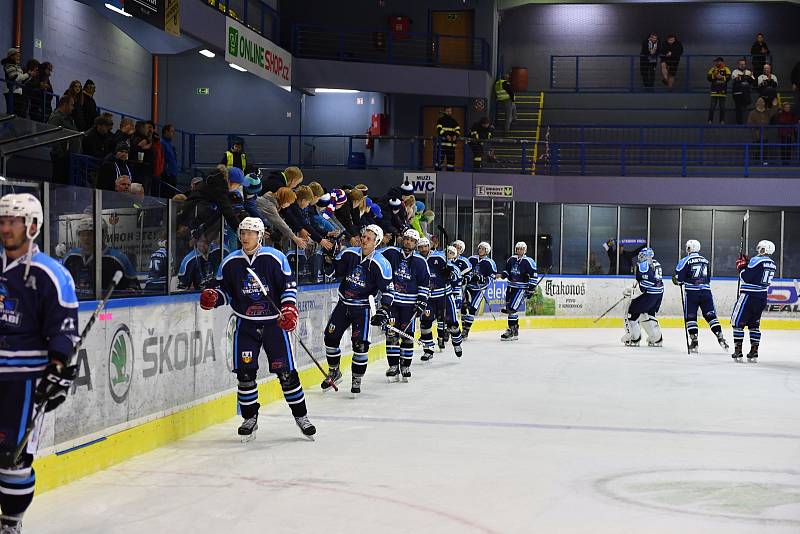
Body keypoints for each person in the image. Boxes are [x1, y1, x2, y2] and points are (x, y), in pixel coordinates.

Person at [0, 193, 80, 534]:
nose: (6, 228)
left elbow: (63, 331)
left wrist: (57, 369)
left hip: (24, 379)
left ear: (32, 226)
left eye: (13, 222)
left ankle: (11, 521)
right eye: (2, 221)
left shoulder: (51, 273)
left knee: (11, 457)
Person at [200, 217, 315, 440]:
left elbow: (288, 288)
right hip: (246, 324)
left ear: (260, 235)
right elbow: (225, 292)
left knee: (286, 374)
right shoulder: (230, 262)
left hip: (274, 324)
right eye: (242, 232)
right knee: (245, 374)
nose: (245, 237)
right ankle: (249, 418)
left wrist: (289, 310)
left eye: (250, 233)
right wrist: (213, 298)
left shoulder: (275, 258)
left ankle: (301, 417)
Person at [321, 224, 393, 396]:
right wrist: (328, 260)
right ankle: (334, 371)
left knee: (360, 345)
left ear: (376, 242)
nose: (364, 239)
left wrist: (384, 310)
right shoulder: (349, 254)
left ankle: (356, 378)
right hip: (344, 304)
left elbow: (389, 290)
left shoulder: (381, 263)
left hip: (363, 308)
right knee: (330, 338)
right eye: (364, 236)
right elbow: (332, 274)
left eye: (369, 238)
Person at [381, 229, 430, 380]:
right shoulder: (390, 253)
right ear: (403, 239)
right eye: (406, 239)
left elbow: (424, 284)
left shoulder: (420, 262)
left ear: (415, 244)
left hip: (409, 306)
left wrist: (422, 302)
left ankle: (406, 365)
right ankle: (393, 366)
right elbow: (375, 261)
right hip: (393, 303)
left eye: (412, 240)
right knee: (391, 335)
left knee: (407, 336)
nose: (408, 242)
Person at [672, 240, 728, 352]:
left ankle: (694, 342)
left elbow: (679, 278)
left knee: (691, 317)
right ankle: (721, 337)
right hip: (706, 292)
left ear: (688, 248)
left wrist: (676, 280)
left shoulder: (685, 260)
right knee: (711, 316)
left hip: (692, 293)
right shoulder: (705, 261)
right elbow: (708, 279)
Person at [63, 217, 139, 299]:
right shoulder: (70, 257)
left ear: (102, 235)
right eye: (82, 234)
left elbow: (135, 290)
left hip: (109, 309)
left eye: (90, 234)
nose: (86, 238)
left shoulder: (118, 259)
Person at [417, 239, 462, 361]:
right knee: (425, 324)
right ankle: (428, 350)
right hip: (427, 298)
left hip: (444, 296)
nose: (423, 249)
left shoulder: (439, 257)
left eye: (425, 246)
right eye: (420, 247)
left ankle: (457, 343)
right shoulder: (416, 260)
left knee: (452, 324)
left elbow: (456, 273)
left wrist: (450, 273)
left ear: (429, 246)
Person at [731, 240, 777, 361]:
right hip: (762, 297)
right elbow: (756, 273)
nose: (758, 249)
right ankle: (754, 351)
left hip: (749, 296)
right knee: (754, 325)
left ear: (764, 249)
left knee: (737, 323)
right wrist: (747, 264)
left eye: (760, 248)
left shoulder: (757, 260)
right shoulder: (772, 264)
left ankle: (738, 351)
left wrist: (741, 267)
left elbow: (746, 277)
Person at [621, 247, 663, 347]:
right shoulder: (656, 263)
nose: (640, 257)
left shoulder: (644, 264)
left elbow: (648, 281)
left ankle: (634, 339)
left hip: (649, 295)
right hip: (658, 293)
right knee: (648, 314)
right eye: (640, 255)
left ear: (649, 256)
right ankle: (656, 339)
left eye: (643, 255)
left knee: (632, 314)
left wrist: (635, 292)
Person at [497, 241, 538, 341]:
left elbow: (534, 275)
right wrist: (502, 275)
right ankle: (514, 330)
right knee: (510, 309)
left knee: (512, 308)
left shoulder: (529, 261)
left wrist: (531, 289)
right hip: (510, 287)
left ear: (525, 250)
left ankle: (511, 330)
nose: (519, 250)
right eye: (518, 248)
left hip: (521, 288)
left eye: (521, 249)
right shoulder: (511, 259)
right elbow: (507, 270)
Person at [461, 241, 497, 340]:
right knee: (463, 307)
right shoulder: (471, 259)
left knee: (472, 309)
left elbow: (492, 278)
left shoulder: (490, 262)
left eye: (483, 249)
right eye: (480, 248)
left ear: (487, 251)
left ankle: (466, 330)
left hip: (479, 289)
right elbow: (465, 270)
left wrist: (482, 279)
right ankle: (463, 326)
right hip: (468, 287)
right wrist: (467, 278)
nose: (480, 250)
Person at [47, 94, 81, 185]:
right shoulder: (56, 118)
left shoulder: (69, 119)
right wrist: (61, 154)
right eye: (71, 105)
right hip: (61, 159)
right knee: (59, 184)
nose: (73, 108)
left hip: (69, 158)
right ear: (65, 105)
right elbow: (53, 136)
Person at [435, 106, 461, 171]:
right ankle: (437, 174)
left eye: (450, 111)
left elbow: (458, 129)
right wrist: (446, 135)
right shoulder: (440, 120)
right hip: (442, 145)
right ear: (444, 111)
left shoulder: (454, 121)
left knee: (451, 162)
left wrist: (456, 135)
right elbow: (439, 129)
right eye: (447, 111)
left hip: (451, 145)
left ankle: (450, 176)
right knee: (439, 161)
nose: (449, 112)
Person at [731, 58, 756, 125]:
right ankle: (739, 124)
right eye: (741, 64)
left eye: (744, 64)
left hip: (746, 93)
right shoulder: (735, 72)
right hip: (737, 93)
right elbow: (737, 80)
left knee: (745, 109)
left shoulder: (749, 72)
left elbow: (753, 81)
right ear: (738, 64)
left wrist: (747, 78)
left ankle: (746, 123)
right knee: (738, 109)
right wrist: (747, 78)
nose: (743, 65)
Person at [706, 57, 731, 124]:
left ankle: (722, 121)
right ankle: (710, 120)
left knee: (722, 107)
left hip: (722, 91)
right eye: (716, 61)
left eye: (718, 61)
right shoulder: (713, 69)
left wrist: (722, 77)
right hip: (714, 90)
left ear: (722, 62)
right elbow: (708, 78)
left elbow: (729, 78)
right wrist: (714, 76)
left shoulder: (726, 69)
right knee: (712, 107)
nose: (717, 63)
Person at [160, 124, 179, 195]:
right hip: (167, 174)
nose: (173, 134)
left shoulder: (170, 144)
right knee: (167, 194)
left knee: (172, 194)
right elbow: (162, 158)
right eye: (171, 131)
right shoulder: (162, 143)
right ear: (166, 131)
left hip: (173, 173)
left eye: (173, 132)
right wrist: (166, 172)